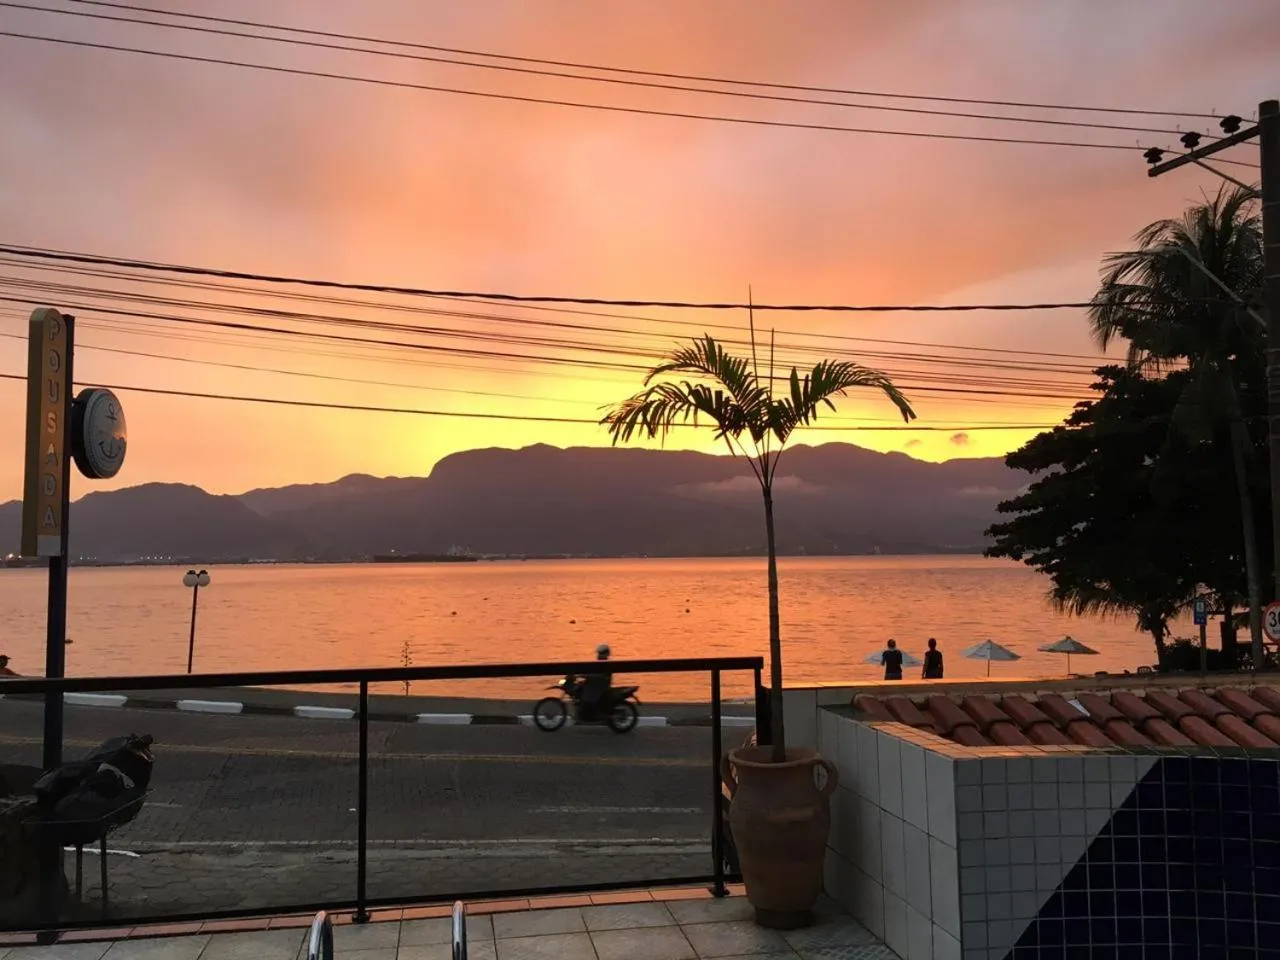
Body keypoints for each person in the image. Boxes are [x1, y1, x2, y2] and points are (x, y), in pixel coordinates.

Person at [578, 644, 613, 718]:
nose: (599, 655)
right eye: (599, 653)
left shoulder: (606, 663)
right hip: (597, 682)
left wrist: (588, 676)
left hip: (601, 684)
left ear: (606, 653)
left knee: (588, 691)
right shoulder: (600, 662)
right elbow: (593, 671)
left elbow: (602, 676)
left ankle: (592, 712)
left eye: (601, 653)